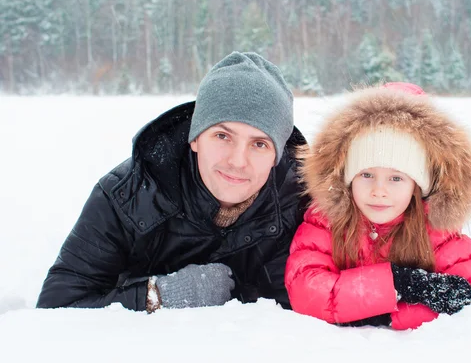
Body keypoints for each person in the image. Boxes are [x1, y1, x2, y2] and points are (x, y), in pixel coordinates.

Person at [37, 51, 309, 312]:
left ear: (277, 156)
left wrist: (239, 294)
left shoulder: (298, 206)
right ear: (195, 137)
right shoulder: (127, 195)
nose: (238, 161)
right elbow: (58, 306)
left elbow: (317, 306)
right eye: (222, 136)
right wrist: (157, 295)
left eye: (259, 144)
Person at [284, 82, 471, 330]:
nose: (379, 191)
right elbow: (306, 289)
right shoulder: (326, 221)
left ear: (418, 186)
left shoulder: (437, 232)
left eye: (396, 178)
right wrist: (398, 283)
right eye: (366, 175)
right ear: (348, 178)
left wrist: (389, 316)